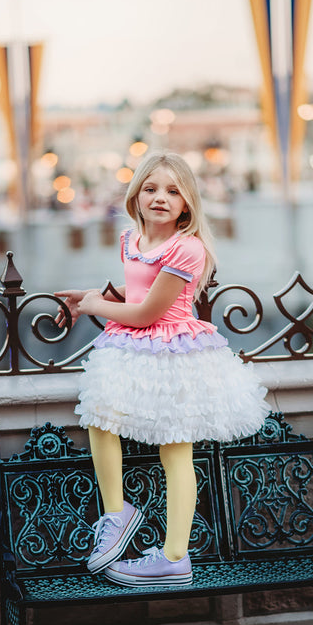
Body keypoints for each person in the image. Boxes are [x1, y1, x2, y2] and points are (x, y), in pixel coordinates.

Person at [54, 151, 270, 588]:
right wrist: (94, 294)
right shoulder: (131, 239)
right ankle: (117, 513)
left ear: (187, 203)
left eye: (173, 191)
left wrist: (96, 306)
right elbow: (133, 288)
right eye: (151, 189)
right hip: (135, 350)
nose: (160, 198)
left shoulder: (187, 248)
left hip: (175, 351)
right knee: (101, 416)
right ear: (136, 196)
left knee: (176, 451)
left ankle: (174, 556)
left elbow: (150, 312)